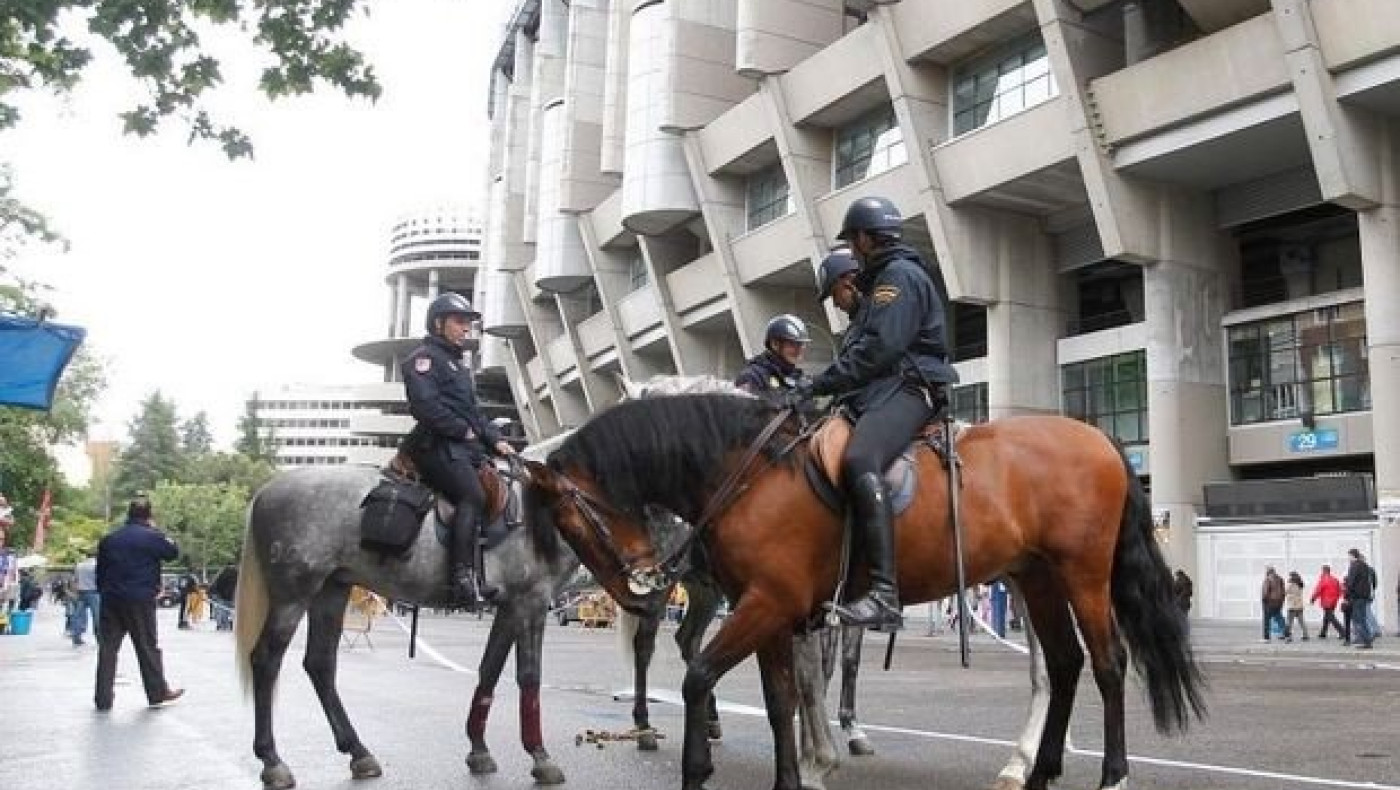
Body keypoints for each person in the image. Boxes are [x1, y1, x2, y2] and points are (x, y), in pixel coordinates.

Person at [791, 197, 958, 631]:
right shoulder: (884, 281)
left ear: (866, 238)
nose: (855, 248)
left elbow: (880, 350)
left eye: (854, 240)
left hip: (909, 388)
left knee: (860, 459)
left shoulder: (896, 279)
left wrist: (818, 383)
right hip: (885, 390)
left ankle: (884, 592)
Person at [401, 292, 517, 608]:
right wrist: (462, 431)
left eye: (468, 322)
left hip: (462, 448)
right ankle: (461, 579)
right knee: (473, 496)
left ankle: (481, 574)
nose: (466, 328)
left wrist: (495, 439)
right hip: (434, 445)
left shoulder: (457, 365)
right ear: (439, 324)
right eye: (459, 321)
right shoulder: (422, 359)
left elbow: (474, 412)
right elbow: (426, 407)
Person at [94, 498, 184, 710]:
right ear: (149, 516)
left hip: (111, 599)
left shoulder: (109, 539)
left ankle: (103, 698)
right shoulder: (152, 537)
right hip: (140, 599)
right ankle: (157, 692)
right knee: (146, 647)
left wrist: (105, 591)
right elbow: (173, 553)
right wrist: (160, 532)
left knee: (108, 649)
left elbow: (101, 571)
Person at [734, 314, 812, 404]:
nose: (799, 350)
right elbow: (746, 414)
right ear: (775, 344)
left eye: (801, 344)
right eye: (793, 344)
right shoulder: (752, 377)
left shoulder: (797, 377)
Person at [1343, 548, 1375, 649]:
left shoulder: (1354, 566)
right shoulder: (1365, 566)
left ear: (1352, 556)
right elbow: (1369, 582)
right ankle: (1367, 640)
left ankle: (1366, 641)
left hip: (1357, 597)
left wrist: (1346, 596)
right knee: (1362, 619)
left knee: (1358, 619)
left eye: (1349, 556)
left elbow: (1351, 582)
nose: (1348, 558)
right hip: (1365, 596)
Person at [70, 549, 101, 646]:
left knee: (78, 615)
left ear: (87, 556)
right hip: (94, 593)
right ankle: (99, 638)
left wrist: (75, 592)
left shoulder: (79, 565)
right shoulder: (97, 565)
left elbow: (75, 580)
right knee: (97, 617)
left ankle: (76, 637)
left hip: (81, 592)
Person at [1310, 564, 1345, 640]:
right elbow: (1340, 590)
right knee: (1327, 617)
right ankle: (1323, 633)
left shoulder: (1323, 580)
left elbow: (1318, 590)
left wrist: (1313, 598)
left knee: (1331, 617)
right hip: (1333, 601)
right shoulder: (1335, 579)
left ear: (1323, 571)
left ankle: (1342, 632)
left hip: (1326, 601)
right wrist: (1337, 598)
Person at [1260, 566, 1286, 641]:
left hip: (1269, 603)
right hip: (1278, 603)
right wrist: (1281, 602)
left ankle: (1266, 638)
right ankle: (1287, 635)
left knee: (1266, 621)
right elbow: (1283, 592)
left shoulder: (1268, 580)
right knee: (1280, 619)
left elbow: (1265, 593)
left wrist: (1264, 601)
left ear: (1268, 572)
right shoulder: (1280, 579)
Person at [1283, 570, 1309, 642]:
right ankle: (1305, 635)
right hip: (1299, 606)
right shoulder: (1300, 584)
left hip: (1292, 606)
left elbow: (1284, 592)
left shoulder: (1291, 585)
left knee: (1289, 622)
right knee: (1301, 621)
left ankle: (1288, 637)